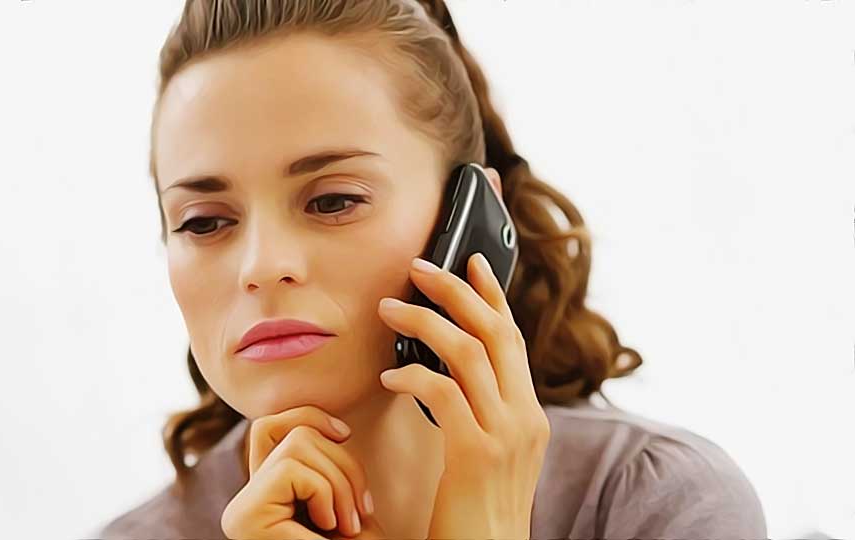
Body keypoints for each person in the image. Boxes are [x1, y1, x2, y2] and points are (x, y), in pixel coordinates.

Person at [99, 0, 767, 538]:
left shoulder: (656, 503)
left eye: (333, 200)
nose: (262, 266)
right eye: (204, 222)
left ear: (470, 220)